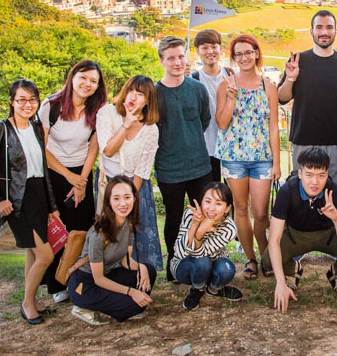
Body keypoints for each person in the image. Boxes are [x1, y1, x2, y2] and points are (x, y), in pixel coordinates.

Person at [0, 78, 60, 325]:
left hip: (39, 197)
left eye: (32, 99)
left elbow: (43, 169)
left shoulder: (36, 128)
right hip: (17, 200)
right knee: (45, 256)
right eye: (21, 99)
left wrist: (52, 206)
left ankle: (32, 300)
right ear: (12, 102)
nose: (27, 104)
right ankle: (26, 304)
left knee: (33, 254)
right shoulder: (1, 129)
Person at [265, 148, 337, 311]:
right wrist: (280, 284)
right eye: (309, 174)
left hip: (328, 235)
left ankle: (335, 274)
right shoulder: (287, 191)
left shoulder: (336, 192)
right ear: (300, 174)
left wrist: (336, 219)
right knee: (268, 259)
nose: (315, 182)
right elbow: (274, 240)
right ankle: (293, 270)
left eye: (321, 175)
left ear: (327, 174)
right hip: (296, 236)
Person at [39, 60, 106, 303]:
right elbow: (42, 148)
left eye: (93, 81)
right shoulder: (51, 106)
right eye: (84, 77)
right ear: (73, 77)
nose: (87, 84)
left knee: (83, 228)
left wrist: (82, 181)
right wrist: (69, 178)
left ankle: (77, 278)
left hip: (82, 171)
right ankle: (56, 285)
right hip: (54, 172)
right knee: (58, 229)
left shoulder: (97, 109)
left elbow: (93, 149)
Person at [215, 34, 280, 279]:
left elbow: (274, 126)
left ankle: (266, 255)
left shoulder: (268, 86)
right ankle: (250, 258)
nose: (244, 57)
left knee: (261, 213)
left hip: (262, 158)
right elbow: (221, 123)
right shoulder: (225, 85)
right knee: (241, 209)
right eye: (238, 54)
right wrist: (231, 98)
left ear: (256, 54)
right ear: (233, 58)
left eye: (248, 52)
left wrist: (276, 162)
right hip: (234, 158)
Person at [278, 10, 337, 191]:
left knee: (335, 196)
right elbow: (282, 98)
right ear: (311, 31)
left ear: (335, 31)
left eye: (329, 27)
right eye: (319, 27)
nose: (324, 32)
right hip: (303, 142)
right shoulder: (298, 60)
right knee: (302, 196)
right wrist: (290, 78)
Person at [154, 36, 214, 280]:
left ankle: (205, 261)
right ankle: (175, 265)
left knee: (205, 217)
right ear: (162, 61)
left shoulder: (197, 88)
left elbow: (204, 119)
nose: (177, 62)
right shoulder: (154, 94)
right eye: (171, 58)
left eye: (180, 56)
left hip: (200, 166)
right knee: (175, 219)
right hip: (169, 169)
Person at [67, 176, 156, 324]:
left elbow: (126, 261)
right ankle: (83, 306)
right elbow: (98, 279)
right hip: (85, 284)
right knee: (135, 305)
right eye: (116, 198)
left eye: (127, 197)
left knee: (149, 271)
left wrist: (142, 268)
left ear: (134, 198)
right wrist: (131, 292)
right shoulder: (98, 234)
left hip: (107, 275)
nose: (123, 203)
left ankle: (115, 303)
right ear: (109, 201)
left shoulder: (128, 224)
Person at [96, 75, 163, 271]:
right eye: (130, 91)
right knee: (109, 231)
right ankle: (108, 274)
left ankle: (141, 275)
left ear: (148, 100)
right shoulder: (107, 113)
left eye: (140, 94)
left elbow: (143, 168)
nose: (133, 96)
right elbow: (108, 150)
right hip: (108, 184)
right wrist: (126, 123)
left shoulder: (151, 129)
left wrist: (129, 198)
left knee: (136, 232)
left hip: (136, 186)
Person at [172, 181, 242, 310]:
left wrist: (201, 232)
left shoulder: (229, 228)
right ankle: (198, 289)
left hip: (213, 262)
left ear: (227, 208)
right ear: (201, 201)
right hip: (185, 266)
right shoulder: (191, 214)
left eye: (218, 204)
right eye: (208, 201)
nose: (211, 208)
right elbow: (179, 253)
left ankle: (213, 289)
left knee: (226, 269)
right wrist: (196, 226)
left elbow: (203, 251)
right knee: (202, 262)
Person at [191, 29, 233, 182]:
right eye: (204, 47)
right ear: (197, 51)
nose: (210, 51)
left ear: (220, 49)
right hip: (206, 147)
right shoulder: (193, 79)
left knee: (234, 197)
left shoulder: (231, 75)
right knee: (212, 193)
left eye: (214, 46)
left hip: (231, 145)